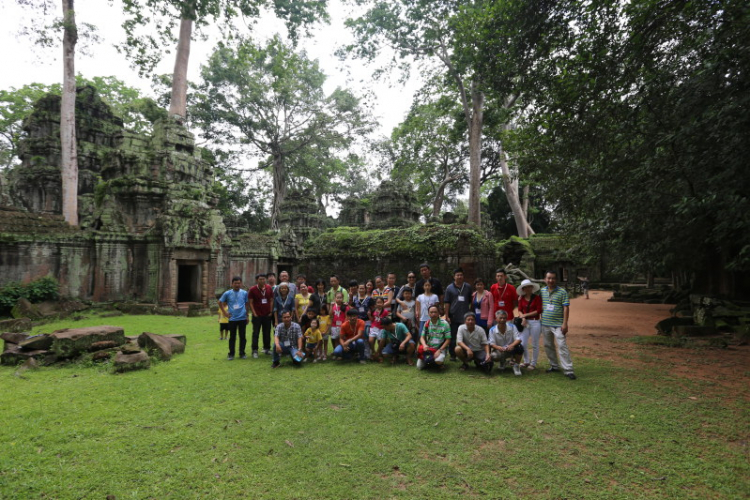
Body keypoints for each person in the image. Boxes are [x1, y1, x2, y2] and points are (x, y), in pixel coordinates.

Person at [541, 270, 576, 380]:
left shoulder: (562, 292)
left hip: (558, 324)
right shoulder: (541, 291)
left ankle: (568, 369)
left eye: (553, 278)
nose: (550, 280)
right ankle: (554, 365)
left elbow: (566, 307)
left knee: (562, 345)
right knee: (548, 345)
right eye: (548, 278)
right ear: (545, 279)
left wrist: (565, 323)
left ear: (556, 280)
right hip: (545, 323)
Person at [443, 268, 473, 361]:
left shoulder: (468, 287)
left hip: (465, 317)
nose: (459, 277)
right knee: (452, 336)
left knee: (466, 336)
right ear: (454, 276)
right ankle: (452, 355)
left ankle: (464, 353)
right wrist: (447, 315)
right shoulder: (449, 288)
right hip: (453, 316)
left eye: (461, 275)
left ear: (463, 276)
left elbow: (470, 301)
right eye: (457, 275)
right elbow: (447, 302)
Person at [219, 276, 250, 361]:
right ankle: (231, 354)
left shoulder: (244, 293)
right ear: (232, 284)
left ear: (241, 284)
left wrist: (247, 315)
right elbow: (220, 302)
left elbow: (247, 304)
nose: (237, 285)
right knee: (232, 337)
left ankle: (242, 353)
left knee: (242, 336)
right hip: (232, 319)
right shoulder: (227, 293)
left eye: (239, 283)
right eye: (235, 283)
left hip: (242, 318)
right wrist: (225, 313)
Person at [516, 279, 542, 370]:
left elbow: (538, 311)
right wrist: (523, 318)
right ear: (523, 289)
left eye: (529, 287)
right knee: (523, 343)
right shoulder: (521, 298)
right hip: (524, 322)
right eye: (525, 287)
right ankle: (526, 361)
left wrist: (525, 315)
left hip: (535, 322)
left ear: (532, 287)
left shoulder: (537, 298)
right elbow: (519, 310)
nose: (528, 289)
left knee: (535, 343)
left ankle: (533, 363)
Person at [488, 310, 524, 376]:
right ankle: (502, 362)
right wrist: (498, 347)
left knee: (520, 348)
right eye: (500, 318)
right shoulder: (492, 330)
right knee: (494, 356)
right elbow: (491, 343)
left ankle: (516, 366)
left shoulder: (512, 327)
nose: (502, 320)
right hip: (500, 350)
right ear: (496, 319)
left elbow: (518, 339)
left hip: (512, 348)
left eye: (504, 318)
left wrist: (511, 345)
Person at [417, 305, 451, 370]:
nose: (433, 314)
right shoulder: (427, 323)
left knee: (439, 360)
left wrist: (440, 350)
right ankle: (430, 361)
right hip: (428, 348)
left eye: (435, 312)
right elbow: (422, 337)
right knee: (419, 366)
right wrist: (424, 345)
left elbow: (448, 339)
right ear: (428, 313)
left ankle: (436, 362)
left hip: (439, 348)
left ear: (438, 313)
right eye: (431, 312)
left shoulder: (445, 324)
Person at [248, 273, 274, 358]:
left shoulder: (269, 288)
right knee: (256, 333)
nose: (262, 280)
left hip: (267, 314)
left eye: (263, 279)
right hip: (257, 315)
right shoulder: (252, 289)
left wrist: (271, 311)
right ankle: (254, 350)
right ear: (257, 280)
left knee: (267, 332)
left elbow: (271, 300)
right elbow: (250, 302)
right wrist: (254, 313)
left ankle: (267, 348)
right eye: (260, 279)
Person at [368, 297, 388, 361]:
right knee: (371, 340)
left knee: (380, 342)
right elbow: (371, 320)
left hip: (381, 328)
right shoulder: (373, 310)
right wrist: (369, 315)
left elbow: (386, 321)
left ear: (383, 303)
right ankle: (373, 352)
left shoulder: (385, 311)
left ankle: (379, 354)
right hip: (373, 328)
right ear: (375, 304)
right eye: (377, 302)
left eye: (380, 302)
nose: (379, 304)